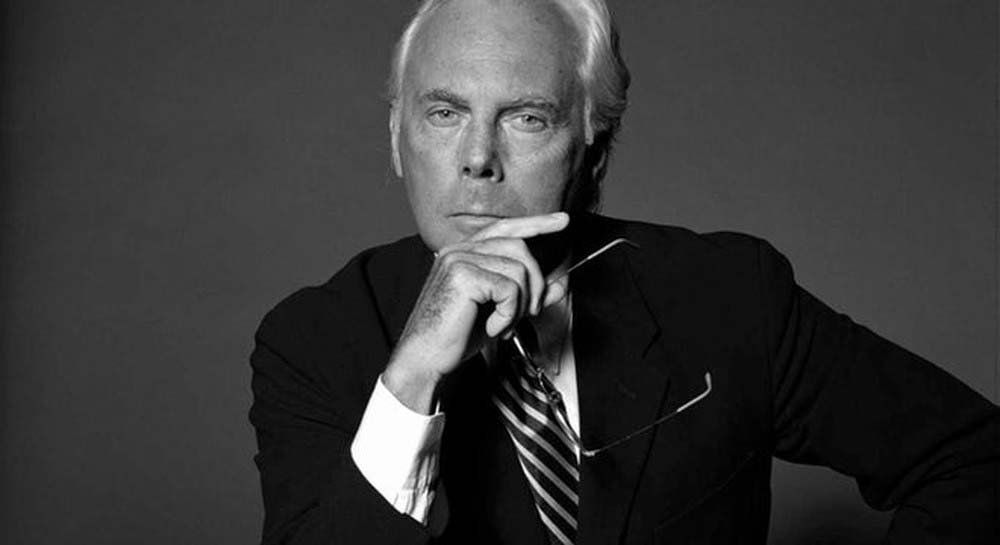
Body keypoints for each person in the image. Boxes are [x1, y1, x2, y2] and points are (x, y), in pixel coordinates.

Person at [248, 0, 999, 543]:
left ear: (594, 148)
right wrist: (410, 382)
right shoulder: (312, 341)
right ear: (396, 138)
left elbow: (976, 461)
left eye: (526, 117)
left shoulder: (730, 295)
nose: (477, 159)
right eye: (444, 113)